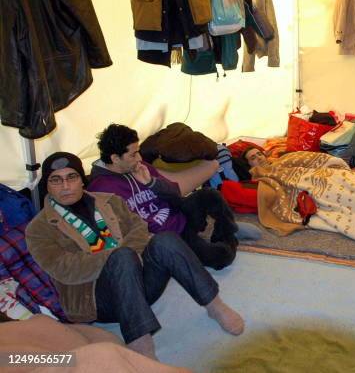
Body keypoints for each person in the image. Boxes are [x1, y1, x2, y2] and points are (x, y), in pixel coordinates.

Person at [26, 152, 244, 360]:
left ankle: (214, 306)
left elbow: (139, 227)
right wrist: (119, 256)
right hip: (96, 300)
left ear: (82, 180)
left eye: (71, 177)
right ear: (47, 185)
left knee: (166, 239)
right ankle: (141, 345)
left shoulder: (109, 200)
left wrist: (129, 257)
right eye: (56, 180)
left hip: (137, 280)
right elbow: (65, 269)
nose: (65, 186)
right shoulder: (38, 228)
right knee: (121, 257)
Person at [88, 124, 259, 271]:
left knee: (210, 195)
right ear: (115, 158)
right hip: (168, 236)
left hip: (178, 214)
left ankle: (227, 227)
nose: (139, 158)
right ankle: (229, 235)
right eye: (133, 154)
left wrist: (152, 183)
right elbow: (126, 232)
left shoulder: (139, 166)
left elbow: (175, 195)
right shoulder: (101, 190)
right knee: (221, 258)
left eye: (138, 152)